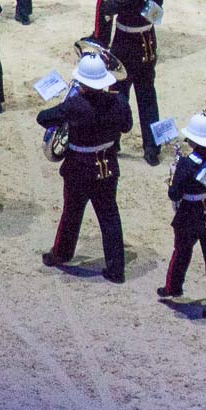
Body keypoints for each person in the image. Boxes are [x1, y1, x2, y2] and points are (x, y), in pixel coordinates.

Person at [38, 54, 133, 283]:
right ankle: (116, 268)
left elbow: (44, 118)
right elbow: (127, 126)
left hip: (79, 169)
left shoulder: (75, 105)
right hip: (107, 165)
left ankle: (62, 253)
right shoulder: (119, 101)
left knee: (71, 212)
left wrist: (63, 103)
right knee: (110, 216)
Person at [159, 113, 206, 320]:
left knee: (181, 252)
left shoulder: (187, 163)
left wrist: (174, 177)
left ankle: (173, 287)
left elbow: (175, 194)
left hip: (191, 215)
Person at [97, 0, 164, 160]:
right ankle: (152, 147)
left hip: (126, 43)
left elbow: (107, 8)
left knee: (118, 93)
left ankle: (113, 141)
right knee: (147, 96)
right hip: (148, 43)